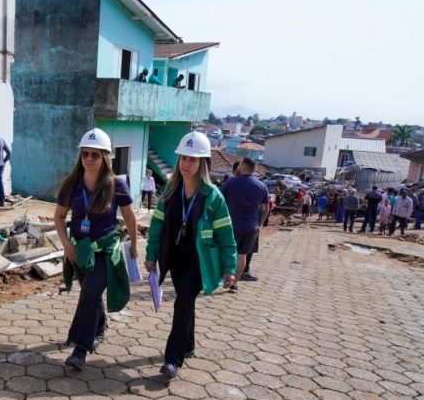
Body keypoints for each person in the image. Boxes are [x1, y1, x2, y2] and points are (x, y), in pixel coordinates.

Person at [145, 132, 236, 379]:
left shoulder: (213, 196)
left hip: (200, 261)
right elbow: (157, 226)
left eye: (192, 159)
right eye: (183, 158)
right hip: (176, 259)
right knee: (186, 302)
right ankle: (189, 345)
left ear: (203, 163)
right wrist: (151, 255)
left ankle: (173, 359)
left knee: (183, 301)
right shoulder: (170, 191)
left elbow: (226, 236)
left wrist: (229, 268)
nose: (186, 163)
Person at [55, 128, 138, 371]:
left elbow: (130, 216)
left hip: (105, 251)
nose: (89, 159)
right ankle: (99, 327)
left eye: (95, 155)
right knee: (90, 295)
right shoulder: (71, 184)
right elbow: (59, 217)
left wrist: (134, 244)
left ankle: (80, 350)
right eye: (85, 154)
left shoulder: (116, 185)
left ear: (105, 157)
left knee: (89, 294)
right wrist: (66, 245)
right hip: (80, 252)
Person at [221, 157, 270, 287]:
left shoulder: (230, 183)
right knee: (242, 256)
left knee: (228, 253)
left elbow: (219, 204)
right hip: (251, 227)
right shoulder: (262, 186)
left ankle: (224, 279)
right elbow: (265, 208)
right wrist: (259, 224)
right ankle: (234, 284)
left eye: (239, 165)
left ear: (242, 167)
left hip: (231, 226)